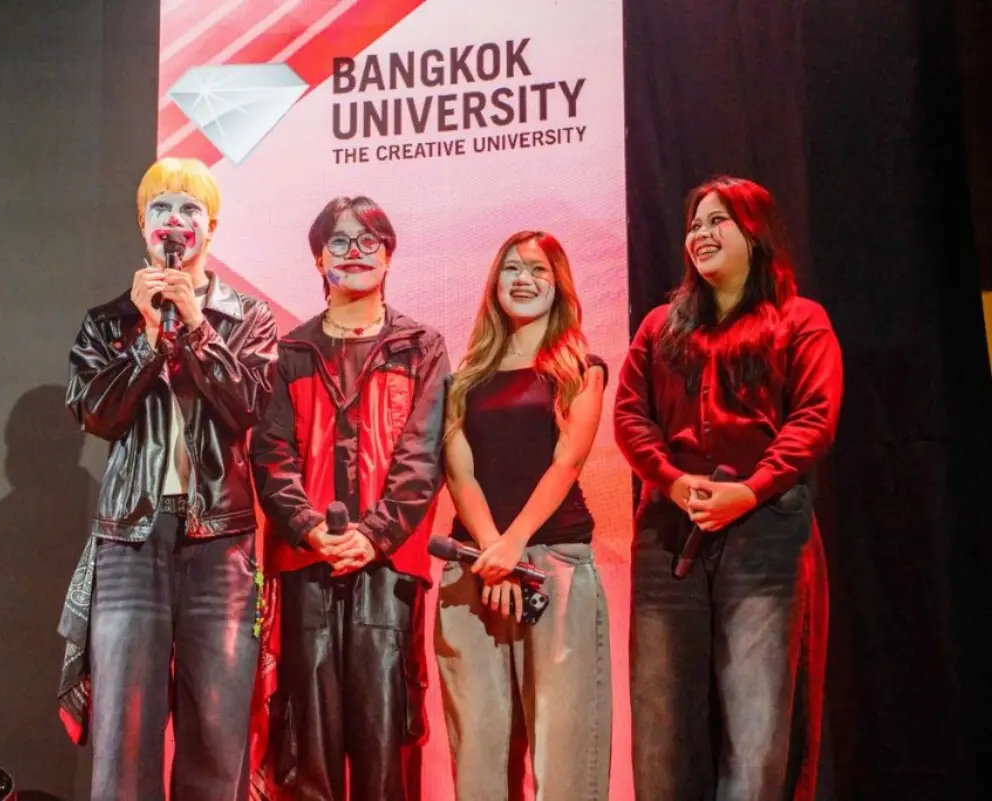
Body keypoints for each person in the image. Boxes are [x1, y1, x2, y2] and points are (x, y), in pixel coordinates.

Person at [56, 157, 278, 801]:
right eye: (161, 208)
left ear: (211, 226)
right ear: (142, 225)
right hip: (130, 537)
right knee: (124, 730)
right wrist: (149, 337)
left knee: (217, 727)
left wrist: (199, 328)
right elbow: (97, 415)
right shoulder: (108, 322)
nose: (174, 221)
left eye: (188, 209)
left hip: (221, 540)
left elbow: (251, 408)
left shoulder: (247, 316)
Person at [615, 175, 842, 801]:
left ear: (756, 233)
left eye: (717, 221)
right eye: (694, 224)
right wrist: (672, 480)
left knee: (757, 719)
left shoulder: (801, 320)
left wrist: (753, 488)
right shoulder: (661, 326)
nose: (701, 234)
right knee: (661, 718)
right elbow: (630, 415)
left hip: (765, 526)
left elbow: (814, 418)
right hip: (670, 528)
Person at [249, 195, 450, 801]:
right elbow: (271, 455)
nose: (355, 252)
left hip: (388, 568)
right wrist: (311, 527)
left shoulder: (421, 347)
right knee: (305, 743)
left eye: (369, 241)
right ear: (319, 259)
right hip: (305, 564)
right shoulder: (291, 351)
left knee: (384, 740)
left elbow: (423, 456)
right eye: (339, 241)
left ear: (389, 256)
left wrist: (373, 535)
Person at [434, 230, 612, 801]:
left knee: (565, 750)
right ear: (495, 283)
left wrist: (513, 548)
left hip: (554, 565)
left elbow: (566, 463)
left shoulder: (582, 369)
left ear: (559, 284)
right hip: (475, 569)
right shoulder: (464, 377)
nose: (523, 279)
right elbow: (459, 473)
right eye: (512, 268)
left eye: (538, 270)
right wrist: (495, 553)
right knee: (479, 749)